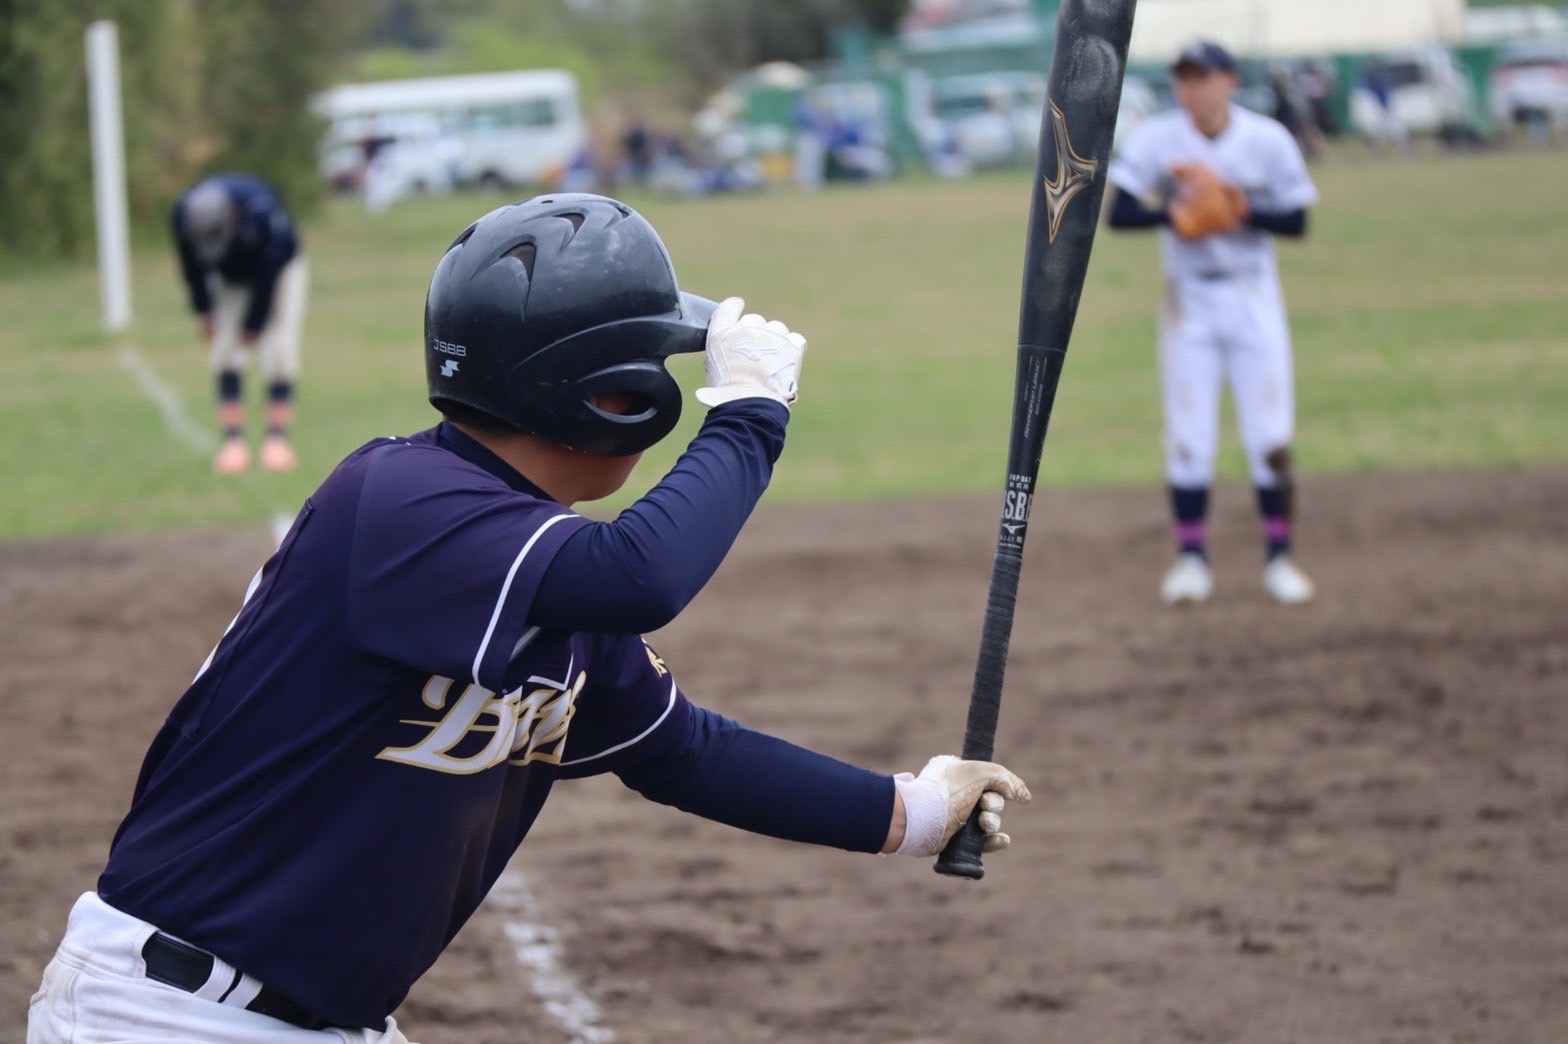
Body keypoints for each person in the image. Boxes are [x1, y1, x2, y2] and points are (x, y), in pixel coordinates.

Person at [29, 194, 1030, 1042]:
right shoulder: (402, 501)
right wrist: (749, 419)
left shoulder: (538, 571)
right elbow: (643, 577)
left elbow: (680, 751)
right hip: (165, 1014)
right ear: (605, 393)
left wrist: (911, 812)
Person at [1105, 41, 1319, 606]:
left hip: (1252, 295)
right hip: (1188, 301)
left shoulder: (1266, 139)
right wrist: (1174, 215)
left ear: (1229, 81)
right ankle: (1192, 561)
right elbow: (1119, 213)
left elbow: (1298, 220)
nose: (1190, 90)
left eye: (1201, 78)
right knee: (1188, 438)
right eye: (1183, 79)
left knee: (1270, 436)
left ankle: (1279, 558)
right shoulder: (1158, 138)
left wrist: (1240, 209)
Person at [171, 173, 308, 475]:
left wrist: (253, 326)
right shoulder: (183, 215)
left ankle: (277, 442)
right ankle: (233, 443)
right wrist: (204, 311)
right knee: (225, 352)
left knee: (279, 352)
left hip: (280, 271)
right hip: (230, 276)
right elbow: (190, 263)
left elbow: (269, 274)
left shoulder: (265, 220)